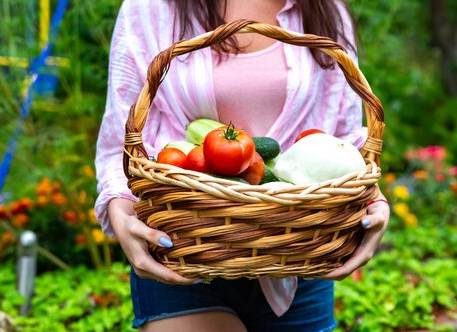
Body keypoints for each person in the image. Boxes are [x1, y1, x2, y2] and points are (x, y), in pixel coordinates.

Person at [95, 0, 390, 331]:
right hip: (183, 249)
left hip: (298, 254)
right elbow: (121, 136)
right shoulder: (150, 7)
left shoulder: (324, 7)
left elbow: (346, 138)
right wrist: (120, 209)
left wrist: (372, 199)